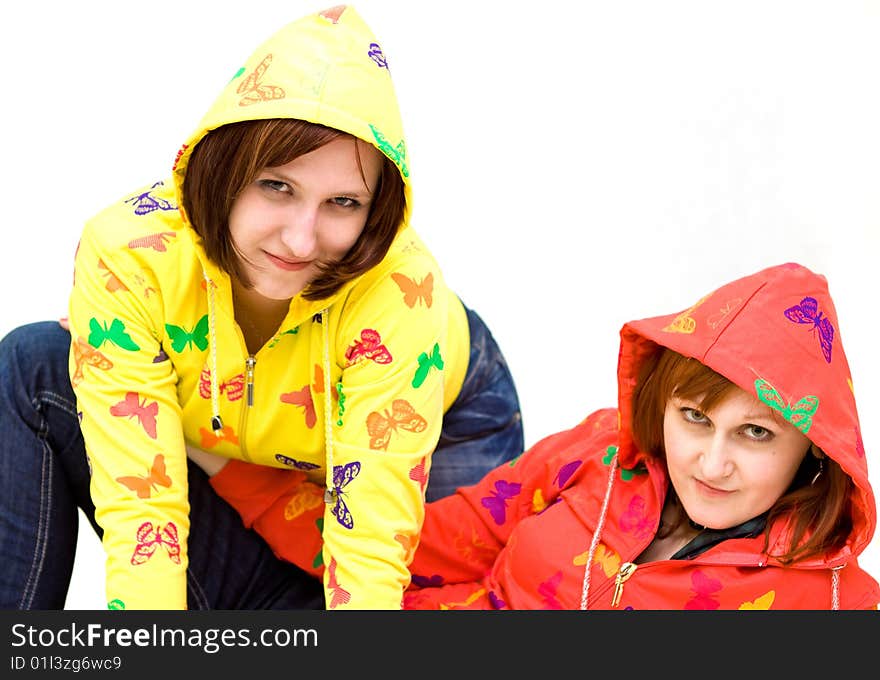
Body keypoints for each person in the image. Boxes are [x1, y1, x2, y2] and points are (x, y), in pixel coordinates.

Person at [0, 5, 523, 611]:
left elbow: (371, 556)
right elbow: (143, 517)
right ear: (223, 169)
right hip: (246, 449)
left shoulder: (400, 292)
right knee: (36, 362)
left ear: (376, 209)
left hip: (437, 430)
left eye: (344, 203)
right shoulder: (130, 255)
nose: (301, 241)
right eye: (277, 186)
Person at [193, 262, 879, 609]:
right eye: (694, 419)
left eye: (755, 433)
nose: (712, 461)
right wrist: (227, 468)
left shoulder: (837, 600)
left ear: (813, 449)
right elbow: (414, 545)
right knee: (87, 387)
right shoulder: (600, 454)